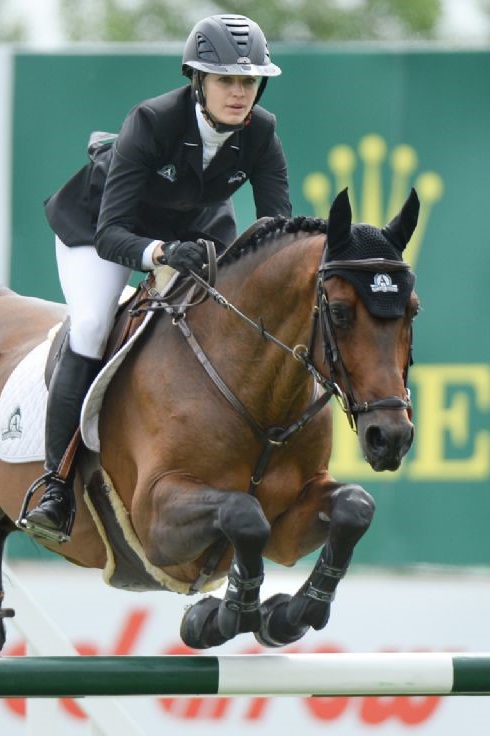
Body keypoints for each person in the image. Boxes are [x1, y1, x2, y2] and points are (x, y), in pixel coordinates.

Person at [19, 13, 293, 542]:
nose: (240, 93)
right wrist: (162, 252)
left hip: (194, 230)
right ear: (199, 81)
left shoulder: (261, 134)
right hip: (100, 227)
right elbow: (111, 235)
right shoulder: (151, 121)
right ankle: (55, 485)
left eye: (249, 81)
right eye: (226, 81)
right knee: (94, 325)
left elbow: (276, 230)